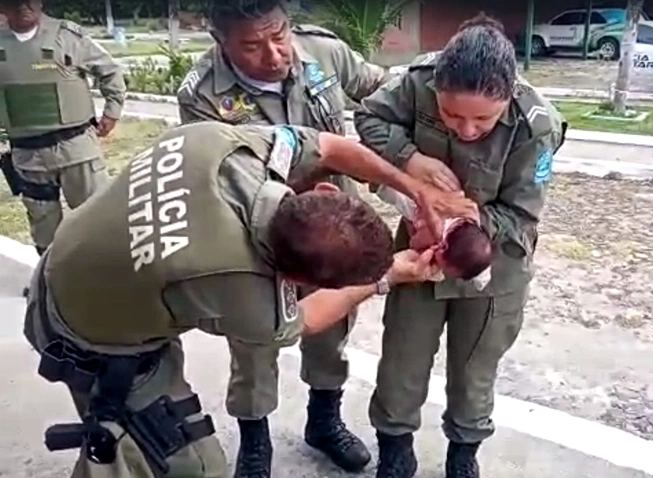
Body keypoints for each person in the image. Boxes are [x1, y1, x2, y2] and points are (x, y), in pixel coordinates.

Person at [25, 121, 477, 478]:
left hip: (81, 264)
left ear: (324, 191)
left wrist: (413, 187)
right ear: (296, 277)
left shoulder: (226, 148)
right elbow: (305, 320)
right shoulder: (239, 286)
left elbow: (331, 147)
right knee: (188, 466)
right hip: (85, 332)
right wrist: (392, 274)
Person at [176, 1, 391, 470]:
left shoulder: (325, 54)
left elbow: (389, 95)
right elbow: (216, 177)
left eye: (279, 35)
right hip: (257, 240)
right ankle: (256, 441)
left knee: (332, 327)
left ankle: (324, 420)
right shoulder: (202, 93)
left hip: (333, 231)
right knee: (254, 341)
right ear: (221, 41)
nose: (274, 56)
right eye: (252, 46)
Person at [354, 14, 567, 478]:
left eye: (483, 120)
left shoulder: (538, 128)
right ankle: (395, 449)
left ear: (508, 97)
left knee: (474, 371)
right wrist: (410, 157)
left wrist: (456, 217)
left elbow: (521, 216)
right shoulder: (418, 82)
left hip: (493, 267)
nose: (466, 130)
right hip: (420, 254)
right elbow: (368, 116)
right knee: (401, 360)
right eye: (451, 116)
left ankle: (463, 453)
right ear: (437, 93)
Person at [0, 0, 125, 258]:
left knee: (96, 218)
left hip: (76, 147)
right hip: (28, 154)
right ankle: (50, 284)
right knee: (44, 227)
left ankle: (106, 279)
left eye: (29, 0)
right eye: (14, 2)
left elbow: (111, 72)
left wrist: (112, 113)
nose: (23, 7)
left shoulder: (68, 37)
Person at [376, 185, 493, 285]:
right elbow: (414, 242)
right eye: (444, 267)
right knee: (392, 192)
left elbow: (483, 274)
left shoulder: (469, 219)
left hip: (429, 189)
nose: (441, 269)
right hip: (405, 193)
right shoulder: (436, 234)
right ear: (441, 248)